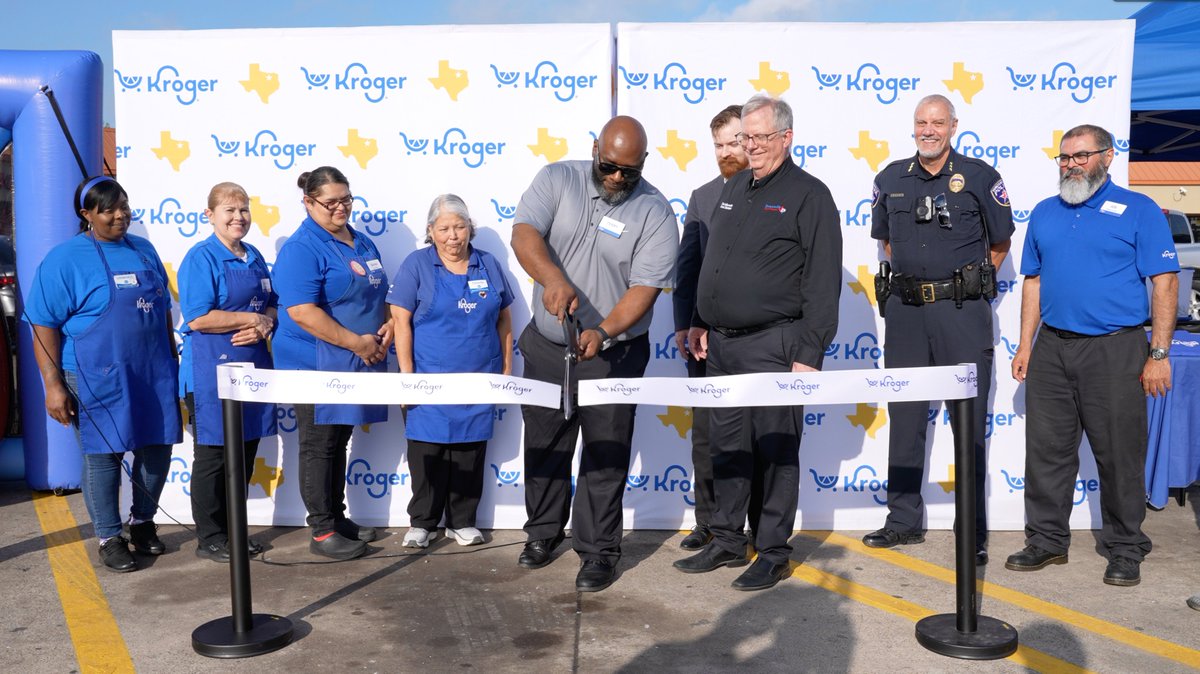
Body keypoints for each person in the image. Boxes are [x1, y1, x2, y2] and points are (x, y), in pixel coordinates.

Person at [674, 94, 842, 591]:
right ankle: (727, 539)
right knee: (726, 445)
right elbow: (716, 263)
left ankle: (771, 550)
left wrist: (809, 352)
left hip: (776, 343)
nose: (751, 147)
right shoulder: (734, 189)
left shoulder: (810, 195)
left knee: (774, 450)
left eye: (761, 138)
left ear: (786, 138)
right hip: (722, 346)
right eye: (746, 138)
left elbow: (822, 279)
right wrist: (701, 318)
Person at [511, 115, 678, 593]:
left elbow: (644, 290)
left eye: (630, 170)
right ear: (594, 150)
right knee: (544, 446)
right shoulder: (555, 178)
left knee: (605, 456)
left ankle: (599, 551)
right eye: (609, 166)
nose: (618, 178)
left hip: (613, 354)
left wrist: (602, 332)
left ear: (643, 163)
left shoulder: (655, 212)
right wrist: (553, 279)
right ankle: (542, 535)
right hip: (546, 347)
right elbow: (524, 234)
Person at [1007, 124, 1178, 587]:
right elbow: (1034, 283)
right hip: (1053, 347)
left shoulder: (1139, 211)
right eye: (1064, 158)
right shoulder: (1044, 213)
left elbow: (1164, 282)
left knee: (1119, 453)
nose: (1071, 165)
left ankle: (1125, 547)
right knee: (1046, 452)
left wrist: (1158, 353)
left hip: (1116, 348)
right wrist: (1026, 344)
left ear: (1107, 156)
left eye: (1080, 156)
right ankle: (1045, 541)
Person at [863, 94, 1014, 566]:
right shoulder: (889, 179)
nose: (928, 130)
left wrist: (966, 284)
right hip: (907, 313)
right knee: (905, 420)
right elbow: (886, 240)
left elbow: (1001, 241)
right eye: (921, 122)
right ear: (914, 128)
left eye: (937, 122)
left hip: (960, 312)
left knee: (966, 423)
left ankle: (971, 530)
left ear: (953, 126)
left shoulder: (981, 177)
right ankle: (902, 521)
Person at [28, 176, 181, 572]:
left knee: (157, 447)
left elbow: (162, 308)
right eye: (108, 209)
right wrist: (53, 385)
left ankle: (143, 524)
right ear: (86, 214)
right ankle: (109, 537)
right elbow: (43, 325)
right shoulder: (65, 259)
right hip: (95, 373)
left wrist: (172, 363)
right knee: (104, 456)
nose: (120, 215)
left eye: (124, 206)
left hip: (152, 369)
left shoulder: (144, 250)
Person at [273, 166, 392, 560]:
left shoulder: (362, 242)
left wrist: (387, 325)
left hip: (356, 359)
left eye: (346, 199)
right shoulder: (301, 248)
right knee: (320, 443)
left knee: (339, 440)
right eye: (331, 202)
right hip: (315, 362)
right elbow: (303, 312)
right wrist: (356, 343)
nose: (341, 208)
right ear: (308, 203)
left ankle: (337, 518)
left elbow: (377, 296)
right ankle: (322, 530)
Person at [388, 195, 514, 549]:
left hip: (478, 377)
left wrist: (505, 366)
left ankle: (462, 521)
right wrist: (407, 377)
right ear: (430, 232)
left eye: (459, 227)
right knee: (427, 450)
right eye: (443, 228)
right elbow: (401, 321)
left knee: (469, 451)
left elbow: (504, 318)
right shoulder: (417, 265)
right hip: (429, 378)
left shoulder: (487, 264)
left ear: (470, 229)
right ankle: (423, 522)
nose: (453, 236)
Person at [672, 103, 758, 551]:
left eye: (735, 142)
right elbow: (688, 269)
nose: (727, 151)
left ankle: (755, 525)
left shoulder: (773, 193)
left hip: (759, 340)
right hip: (706, 339)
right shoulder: (702, 197)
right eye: (719, 144)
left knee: (756, 434)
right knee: (706, 434)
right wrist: (684, 325)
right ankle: (708, 520)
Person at [178, 182, 278, 562]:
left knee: (245, 454)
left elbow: (272, 305)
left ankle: (236, 532)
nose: (239, 217)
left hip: (251, 370)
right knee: (214, 458)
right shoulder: (200, 258)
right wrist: (250, 317)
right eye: (230, 210)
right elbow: (200, 317)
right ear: (210, 215)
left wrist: (266, 322)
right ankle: (211, 537)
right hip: (210, 373)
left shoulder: (252, 255)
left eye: (244, 210)